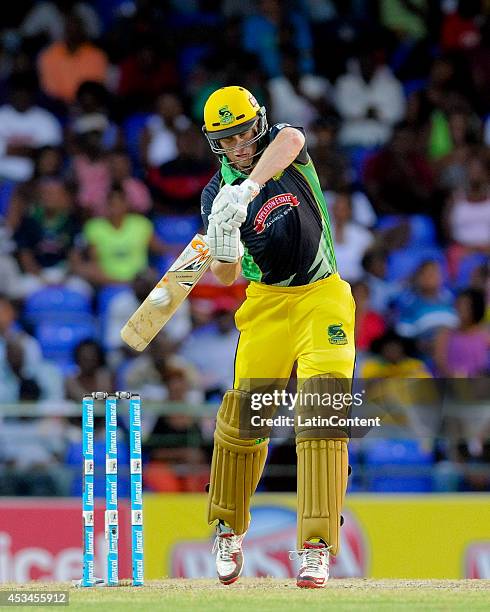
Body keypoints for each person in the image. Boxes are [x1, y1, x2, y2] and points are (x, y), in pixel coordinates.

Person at [156, 86, 356, 587]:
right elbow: (224, 276)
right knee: (245, 418)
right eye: (227, 139)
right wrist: (223, 238)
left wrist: (247, 191)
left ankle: (315, 546)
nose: (240, 146)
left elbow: (291, 138)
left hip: (321, 297)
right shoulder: (210, 196)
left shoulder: (285, 154)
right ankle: (228, 530)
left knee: (322, 413)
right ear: (213, 142)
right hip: (265, 305)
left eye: (245, 132)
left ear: (259, 123)